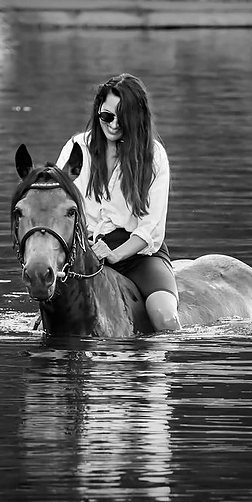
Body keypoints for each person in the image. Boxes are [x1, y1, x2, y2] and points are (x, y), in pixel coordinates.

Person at [56, 72, 181, 332]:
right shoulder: (77, 147)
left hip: (137, 255)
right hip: (84, 251)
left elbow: (151, 227)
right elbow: (59, 203)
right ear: (98, 112)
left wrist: (115, 254)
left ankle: (160, 370)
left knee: (164, 317)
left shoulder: (153, 155)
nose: (113, 125)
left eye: (122, 118)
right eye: (106, 116)